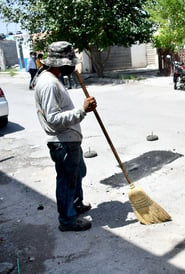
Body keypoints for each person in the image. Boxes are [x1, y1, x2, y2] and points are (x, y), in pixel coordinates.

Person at [33, 41, 97, 232]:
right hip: (63, 143)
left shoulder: (53, 79)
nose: (72, 66)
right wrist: (82, 111)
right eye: (69, 62)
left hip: (70, 141)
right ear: (58, 62)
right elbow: (53, 119)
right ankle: (67, 220)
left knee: (79, 173)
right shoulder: (48, 83)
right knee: (67, 180)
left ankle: (75, 204)